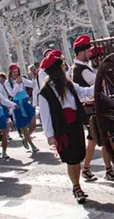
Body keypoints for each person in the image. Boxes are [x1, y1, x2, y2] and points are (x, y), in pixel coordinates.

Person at [38, 50, 94, 203]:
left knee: (78, 157)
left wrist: (99, 82)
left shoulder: (68, 84)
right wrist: (50, 136)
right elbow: (45, 116)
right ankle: (76, 187)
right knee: (71, 159)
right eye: (62, 66)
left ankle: (77, 184)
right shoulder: (45, 92)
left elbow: (84, 92)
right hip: (62, 129)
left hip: (75, 124)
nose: (65, 68)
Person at [71, 35, 114, 182]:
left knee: (93, 140)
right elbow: (99, 83)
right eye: (88, 51)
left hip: (94, 107)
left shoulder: (84, 67)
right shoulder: (81, 69)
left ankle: (86, 169)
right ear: (80, 53)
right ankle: (109, 169)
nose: (90, 54)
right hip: (94, 108)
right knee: (106, 137)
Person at [4, 64, 39, 153]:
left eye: (17, 72)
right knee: (23, 126)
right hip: (17, 104)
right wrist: (16, 84)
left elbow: (33, 85)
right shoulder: (7, 82)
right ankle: (32, 145)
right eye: (14, 72)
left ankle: (25, 139)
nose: (16, 74)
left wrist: (33, 77)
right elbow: (12, 94)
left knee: (33, 122)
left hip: (26, 101)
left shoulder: (22, 79)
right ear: (10, 73)